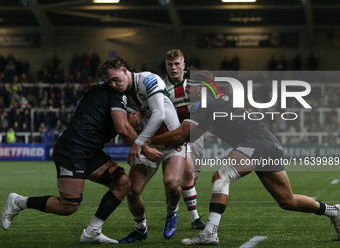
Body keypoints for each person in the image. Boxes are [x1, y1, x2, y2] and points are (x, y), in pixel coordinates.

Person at [149, 69, 340, 245]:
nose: (186, 88)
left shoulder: (204, 103)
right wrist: (155, 144)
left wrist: (144, 141)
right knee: (287, 201)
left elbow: (180, 135)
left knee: (221, 177)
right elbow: (188, 137)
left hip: (256, 142)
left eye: (189, 84)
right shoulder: (214, 101)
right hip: (268, 143)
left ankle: (209, 233)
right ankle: (335, 211)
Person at [1, 78, 162, 244]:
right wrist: (143, 145)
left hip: (90, 151)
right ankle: (18, 202)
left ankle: (93, 232)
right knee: (68, 205)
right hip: (73, 149)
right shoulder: (112, 94)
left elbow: (111, 124)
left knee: (122, 183)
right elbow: (121, 127)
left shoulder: (106, 93)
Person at [97, 58, 186, 242]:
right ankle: (140, 229)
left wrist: (137, 144)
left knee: (171, 184)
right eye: (109, 82)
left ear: (124, 70)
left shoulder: (148, 79)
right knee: (132, 191)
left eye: (115, 79)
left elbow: (159, 115)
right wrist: (130, 125)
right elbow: (120, 126)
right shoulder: (116, 95)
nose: (114, 85)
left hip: (171, 142)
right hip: (148, 145)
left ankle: (172, 213)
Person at [163, 49, 205, 229]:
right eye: (170, 64)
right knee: (177, 178)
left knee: (191, 178)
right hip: (174, 137)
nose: (173, 68)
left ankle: (178, 210)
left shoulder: (194, 84)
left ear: (183, 65)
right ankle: (191, 218)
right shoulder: (161, 88)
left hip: (195, 136)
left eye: (176, 64)